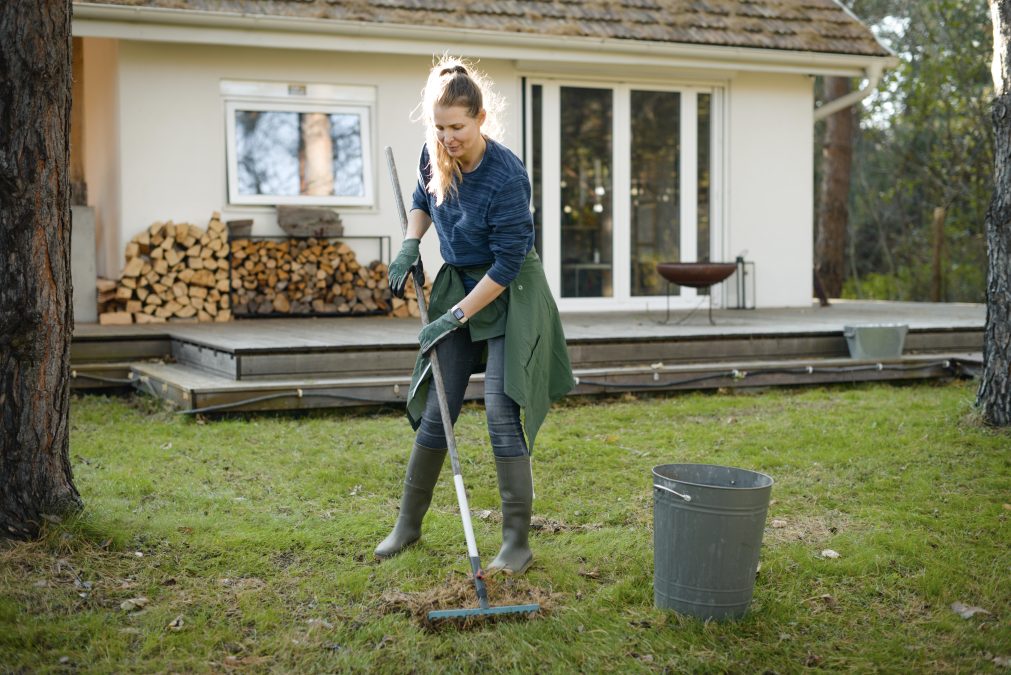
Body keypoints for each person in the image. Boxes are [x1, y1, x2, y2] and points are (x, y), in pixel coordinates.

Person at [374, 57, 574, 575]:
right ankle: (408, 525)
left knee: (502, 410)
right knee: (441, 404)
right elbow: (421, 199)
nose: (447, 138)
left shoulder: (507, 176)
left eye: (457, 127)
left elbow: (508, 263)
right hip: (461, 279)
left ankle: (516, 543)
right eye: (438, 127)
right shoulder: (433, 152)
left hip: (509, 291)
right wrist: (409, 243)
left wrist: (455, 316)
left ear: (481, 118)